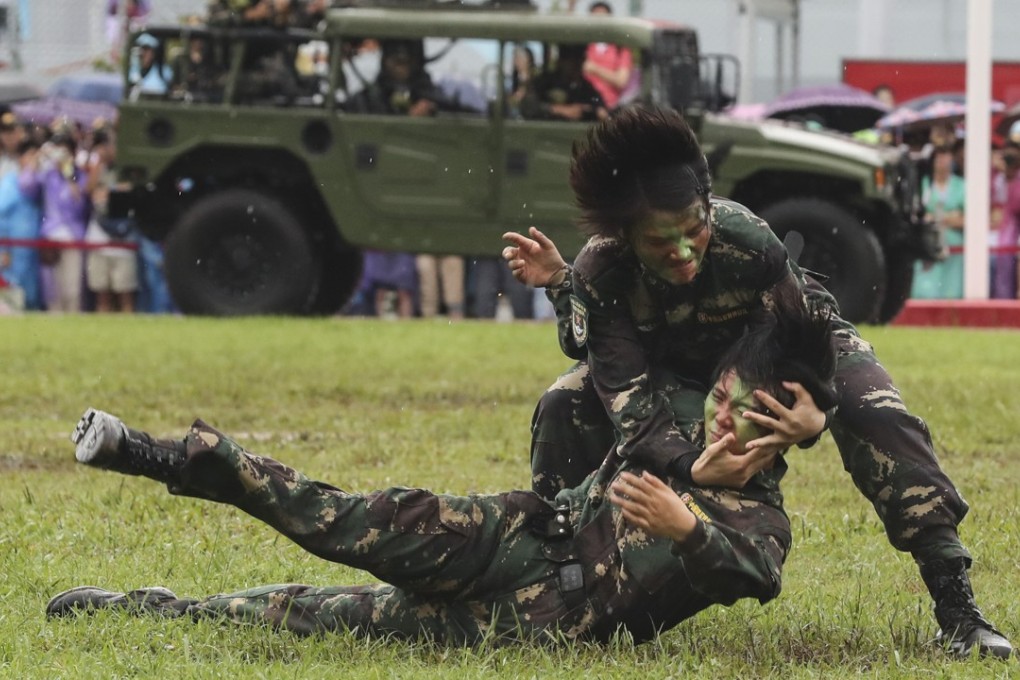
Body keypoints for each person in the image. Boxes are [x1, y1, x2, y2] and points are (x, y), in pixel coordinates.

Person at [47, 285, 837, 646]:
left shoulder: (758, 525)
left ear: (783, 431)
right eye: (727, 399)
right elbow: (617, 354)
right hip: (515, 532)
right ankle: (157, 453)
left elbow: (755, 577)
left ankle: (155, 609)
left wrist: (689, 528)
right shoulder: (673, 413)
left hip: (544, 621)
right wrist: (564, 283)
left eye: (751, 417)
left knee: (326, 614)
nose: (724, 421)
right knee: (352, 521)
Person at [501, 106, 1012, 659]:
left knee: (875, 411)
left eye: (695, 228)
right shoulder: (601, 272)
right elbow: (625, 392)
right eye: (659, 242)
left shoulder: (749, 240)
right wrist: (688, 466)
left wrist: (815, 409)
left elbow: (799, 337)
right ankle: (553, 567)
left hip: (793, 344)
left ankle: (958, 609)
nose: (683, 251)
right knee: (565, 401)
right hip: (680, 367)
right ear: (626, 237)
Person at [21, 133, 90, 313]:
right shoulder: (47, 175)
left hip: (74, 237)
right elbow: (27, 186)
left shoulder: (80, 175)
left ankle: (73, 322)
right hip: (50, 236)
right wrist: (37, 159)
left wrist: (69, 174)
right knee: (52, 289)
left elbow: (79, 205)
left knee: (73, 288)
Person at [83, 130, 139, 313]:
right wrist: (98, 163)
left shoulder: (129, 169)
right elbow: (89, 190)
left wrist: (112, 190)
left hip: (124, 236)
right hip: (100, 234)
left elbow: (132, 191)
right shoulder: (99, 168)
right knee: (102, 294)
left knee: (125, 294)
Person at [911, 145, 965, 299]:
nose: (941, 160)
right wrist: (950, 216)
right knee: (925, 290)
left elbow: (971, 218)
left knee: (953, 290)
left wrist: (937, 217)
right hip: (928, 245)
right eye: (937, 156)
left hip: (954, 246)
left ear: (952, 158)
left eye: (945, 155)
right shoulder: (923, 185)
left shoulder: (962, 186)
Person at [0, 138, 43, 311]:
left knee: (32, 296)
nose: (34, 160)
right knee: (13, 293)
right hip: (15, 251)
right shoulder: (11, 181)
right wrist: (4, 248)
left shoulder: (39, 183)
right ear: (20, 158)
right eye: (30, 156)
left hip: (34, 251)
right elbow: (1, 214)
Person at [519, 43, 607, 123]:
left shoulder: (586, 88)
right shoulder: (545, 82)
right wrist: (559, 110)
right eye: (572, 60)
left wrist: (595, 111)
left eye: (580, 60)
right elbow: (527, 107)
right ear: (562, 61)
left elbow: (600, 108)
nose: (576, 65)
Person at [582, 2, 636, 110]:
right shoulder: (583, 45)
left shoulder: (620, 47)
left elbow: (621, 81)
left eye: (602, 19)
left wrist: (595, 69)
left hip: (610, 107)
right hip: (585, 105)